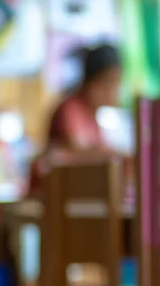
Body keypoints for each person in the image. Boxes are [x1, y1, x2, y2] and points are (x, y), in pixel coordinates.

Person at [28, 43, 123, 193]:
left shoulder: (93, 116)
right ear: (93, 81)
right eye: (110, 81)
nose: (115, 90)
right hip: (54, 202)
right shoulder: (70, 109)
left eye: (117, 82)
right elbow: (80, 156)